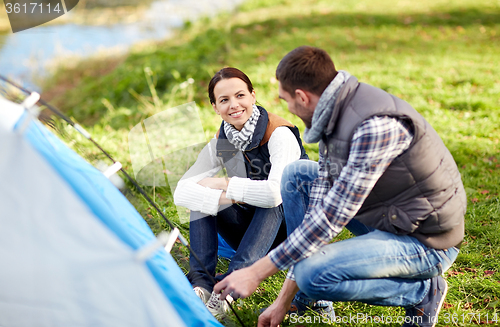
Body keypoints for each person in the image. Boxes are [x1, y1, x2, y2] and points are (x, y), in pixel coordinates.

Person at [214, 46, 466, 327]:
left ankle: (421, 292)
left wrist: (256, 272)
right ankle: (306, 297)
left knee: (313, 274)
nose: (286, 109)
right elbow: (319, 206)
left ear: (302, 97)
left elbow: (331, 218)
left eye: (286, 101)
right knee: (297, 174)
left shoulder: (372, 126)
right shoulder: (334, 112)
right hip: (392, 217)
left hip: (427, 242)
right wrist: (282, 302)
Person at [173, 67, 308, 317]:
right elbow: (181, 192)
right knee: (201, 198)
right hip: (250, 234)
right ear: (215, 107)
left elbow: (274, 195)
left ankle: (230, 288)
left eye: (240, 96)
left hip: (291, 233)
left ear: (253, 96)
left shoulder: (278, 134)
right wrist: (225, 196)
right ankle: (201, 285)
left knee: (276, 196)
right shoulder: (223, 141)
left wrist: (223, 184)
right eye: (224, 100)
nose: (234, 105)